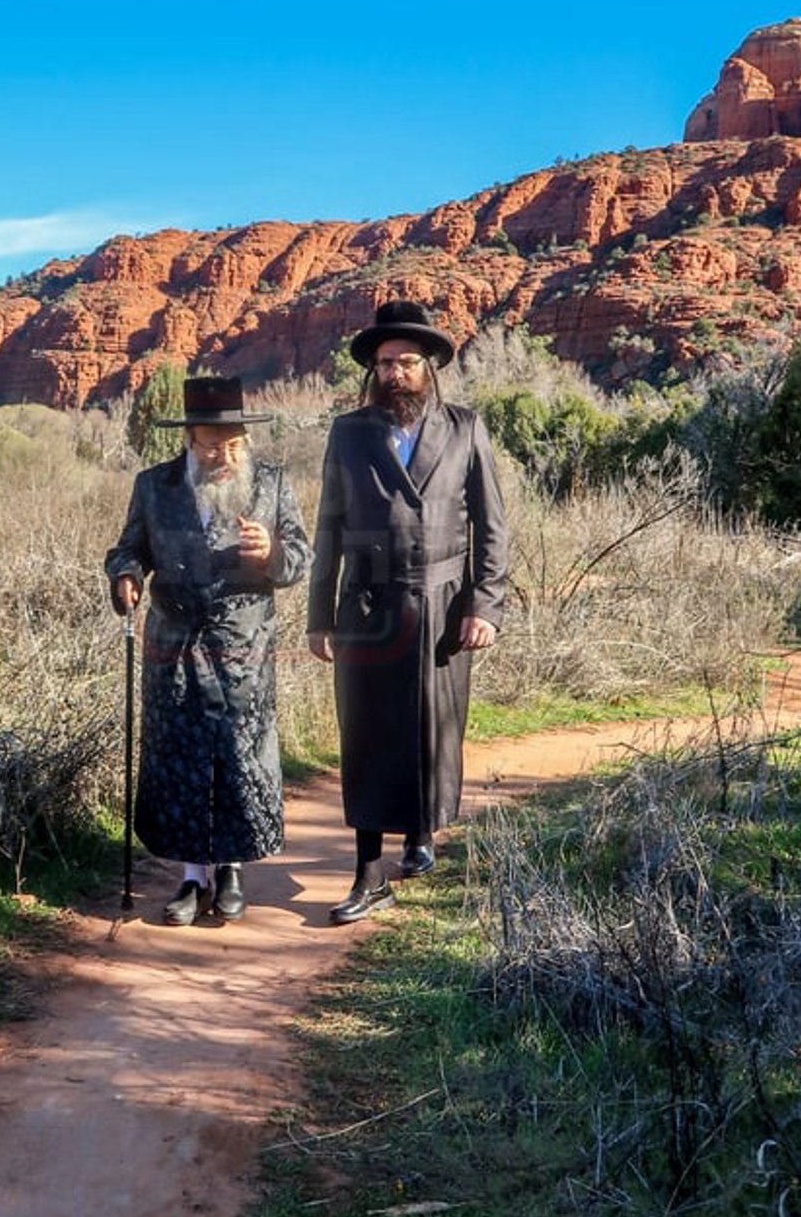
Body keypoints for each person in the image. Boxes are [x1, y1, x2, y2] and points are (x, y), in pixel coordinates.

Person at [308, 299, 509, 924]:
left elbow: (493, 525)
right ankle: (369, 873)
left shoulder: (466, 427)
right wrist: (319, 617)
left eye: (407, 362)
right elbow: (329, 528)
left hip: (446, 604)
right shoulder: (349, 431)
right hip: (367, 603)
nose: (394, 372)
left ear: (430, 368)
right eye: (385, 363)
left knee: (433, 725)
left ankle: (421, 829)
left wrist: (486, 604)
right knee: (366, 733)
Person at [105, 374, 311, 925]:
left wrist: (269, 553)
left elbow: (300, 555)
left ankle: (234, 868)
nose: (222, 453)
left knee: (237, 754)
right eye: (210, 443)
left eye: (232, 443)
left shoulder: (270, 482)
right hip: (173, 643)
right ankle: (192, 877)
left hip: (245, 642)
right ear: (189, 440)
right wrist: (126, 576)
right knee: (182, 759)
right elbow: (128, 549)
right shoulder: (156, 486)